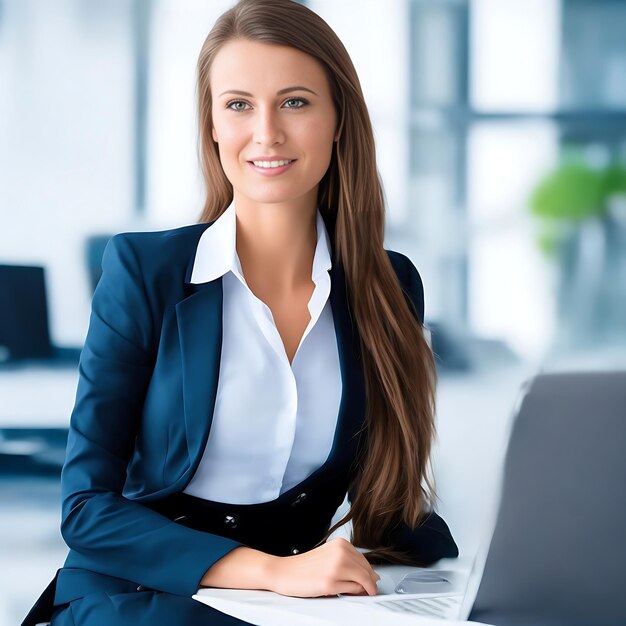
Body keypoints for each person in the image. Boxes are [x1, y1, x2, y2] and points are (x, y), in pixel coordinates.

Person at [22, 1, 458, 624]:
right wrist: (276, 573)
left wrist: (491, 572)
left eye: (296, 102)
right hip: (141, 594)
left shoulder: (389, 285)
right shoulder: (147, 273)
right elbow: (86, 508)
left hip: (291, 603)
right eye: (238, 105)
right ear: (213, 126)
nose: (267, 133)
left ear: (339, 120)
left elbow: (388, 500)